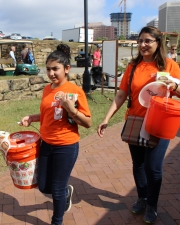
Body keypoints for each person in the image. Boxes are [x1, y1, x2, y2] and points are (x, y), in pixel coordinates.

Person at [97, 26, 180, 224]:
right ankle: (142, 197)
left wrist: (174, 86)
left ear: (158, 43)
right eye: (140, 41)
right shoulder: (133, 67)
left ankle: (152, 204)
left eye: (147, 41)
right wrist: (106, 118)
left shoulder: (169, 66)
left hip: (160, 124)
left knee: (153, 167)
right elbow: (121, 94)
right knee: (139, 165)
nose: (142, 45)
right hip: (136, 121)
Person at [20, 44, 92, 225]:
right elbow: (47, 114)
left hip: (66, 146)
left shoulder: (75, 91)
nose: (51, 73)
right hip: (46, 144)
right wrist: (31, 117)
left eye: (56, 69)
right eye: (48, 69)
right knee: (43, 186)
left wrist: (70, 109)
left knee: (57, 188)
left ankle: (57, 221)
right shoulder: (47, 89)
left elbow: (88, 123)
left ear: (67, 69)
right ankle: (66, 193)